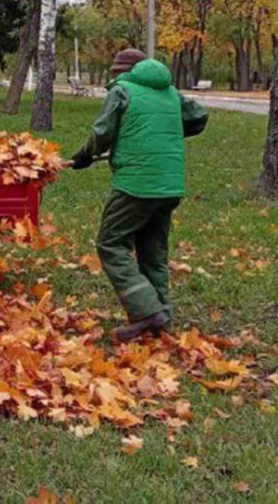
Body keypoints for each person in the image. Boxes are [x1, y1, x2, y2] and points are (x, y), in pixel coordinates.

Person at [69, 48, 208, 342]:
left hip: (136, 183)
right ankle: (162, 320)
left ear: (123, 72)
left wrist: (83, 156)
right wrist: (163, 131)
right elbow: (198, 116)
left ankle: (146, 311)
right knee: (153, 253)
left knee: (110, 243)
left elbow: (102, 132)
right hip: (170, 184)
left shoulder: (122, 91)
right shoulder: (170, 92)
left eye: (115, 71)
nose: (113, 75)